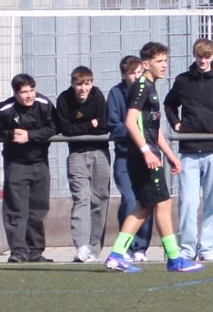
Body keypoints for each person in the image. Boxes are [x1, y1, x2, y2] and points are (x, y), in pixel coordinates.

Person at [106, 42, 200, 274]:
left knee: (146, 206)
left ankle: (117, 254)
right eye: (159, 61)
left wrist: (169, 154)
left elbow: (151, 127)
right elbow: (130, 122)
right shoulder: (141, 86)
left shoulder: (150, 86)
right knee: (163, 203)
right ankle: (175, 257)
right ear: (146, 64)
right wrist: (146, 151)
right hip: (143, 156)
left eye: (166, 60)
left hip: (151, 154)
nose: (164, 65)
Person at [165, 38, 213, 262]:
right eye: (199, 56)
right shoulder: (183, 80)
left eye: (206, 56)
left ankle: (206, 248)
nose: (203, 60)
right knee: (187, 202)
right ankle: (187, 248)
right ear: (194, 56)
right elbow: (169, 104)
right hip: (189, 150)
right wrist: (176, 123)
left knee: (211, 202)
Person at [0, 74, 57, 263]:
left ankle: (35, 251)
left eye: (31, 90)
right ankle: (18, 251)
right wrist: (11, 134)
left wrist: (30, 135)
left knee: (38, 209)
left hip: (40, 163)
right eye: (24, 92)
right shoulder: (4, 109)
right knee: (16, 210)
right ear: (16, 93)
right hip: (16, 164)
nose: (29, 95)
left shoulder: (44, 104)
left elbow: (54, 128)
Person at [57, 66, 112, 264]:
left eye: (87, 83)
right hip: (77, 155)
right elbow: (66, 129)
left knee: (100, 200)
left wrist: (89, 127)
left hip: (100, 153)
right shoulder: (64, 99)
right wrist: (91, 125)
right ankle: (81, 246)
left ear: (92, 83)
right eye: (79, 84)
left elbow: (104, 126)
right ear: (73, 84)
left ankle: (95, 249)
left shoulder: (98, 97)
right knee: (81, 199)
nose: (83, 88)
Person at [106, 56, 153, 261]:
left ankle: (141, 248)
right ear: (124, 75)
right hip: (125, 156)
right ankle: (124, 246)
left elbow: (152, 121)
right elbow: (114, 125)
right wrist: (135, 131)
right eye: (131, 73)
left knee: (146, 200)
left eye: (138, 72)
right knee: (130, 199)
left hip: (146, 156)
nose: (135, 76)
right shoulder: (116, 93)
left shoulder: (147, 90)